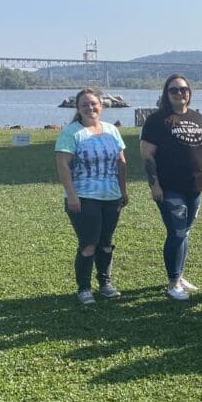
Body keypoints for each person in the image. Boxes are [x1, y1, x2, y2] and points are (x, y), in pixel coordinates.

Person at [140, 74, 202, 300]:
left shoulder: (198, 118)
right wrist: (155, 185)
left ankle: (179, 275)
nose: (180, 93)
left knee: (185, 232)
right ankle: (173, 283)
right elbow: (147, 154)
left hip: (195, 187)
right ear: (167, 94)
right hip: (169, 188)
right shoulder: (157, 120)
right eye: (174, 90)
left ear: (189, 92)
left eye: (183, 89)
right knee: (177, 232)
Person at [55, 87, 128, 306]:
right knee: (89, 243)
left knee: (106, 243)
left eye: (93, 103)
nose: (90, 108)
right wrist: (72, 196)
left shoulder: (111, 130)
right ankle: (84, 288)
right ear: (77, 109)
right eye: (84, 104)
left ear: (102, 106)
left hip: (111, 196)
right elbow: (63, 164)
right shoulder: (71, 132)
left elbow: (121, 162)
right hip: (84, 197)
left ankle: (105, 284)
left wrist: (123, 190)